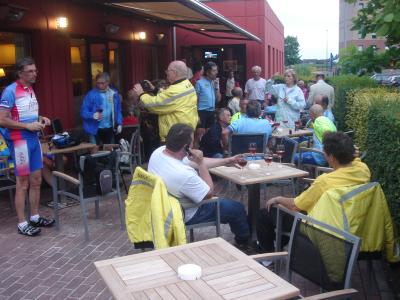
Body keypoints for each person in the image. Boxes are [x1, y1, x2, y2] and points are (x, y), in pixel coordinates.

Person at [257, 132, 370, 252]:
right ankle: (276, 243)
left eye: (324, 152)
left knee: (265, 214)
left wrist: (277, 199)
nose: (323, 154)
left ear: (331, 157)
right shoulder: (363, 169)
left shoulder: (324, 182)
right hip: (350, 222)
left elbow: (295, 206)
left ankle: (267, 257)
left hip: (320, 227)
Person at [148, 123, 250, 247]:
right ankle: (244, 242)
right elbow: (208, 193)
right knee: (237, 208)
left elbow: (192, 162)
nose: (195, 143)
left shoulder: (159, 153)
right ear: (186, 147)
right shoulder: (183, 174)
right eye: (193, 140)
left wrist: (226, 161)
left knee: (225, 202)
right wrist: (201, 163)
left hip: (164, 207)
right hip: (187, 211)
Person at [0, 57, 55, 236]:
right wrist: (27, 126)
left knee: (36, 180)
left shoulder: (30, 89)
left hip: (33, 140)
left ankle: (34, 216)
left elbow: (25, 115)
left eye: (35, 70)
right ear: (20, 73)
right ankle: (22, 223)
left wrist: (40, 119)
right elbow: (2, 119)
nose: (34, 74)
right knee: (22, 183)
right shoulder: (10, 91)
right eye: (30, 71)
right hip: (20, 141)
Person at [132, 60, 198, 143]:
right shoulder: (186, 84)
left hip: (175, 137)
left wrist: (141, 94)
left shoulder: (175, 90)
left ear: (174, 73)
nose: (166, 73)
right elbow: (169, 99)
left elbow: (154, 105)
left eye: (168, 71)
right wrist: (155, 90)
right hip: (184, 132)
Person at [81, 72, 123, 145]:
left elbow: (118, 110)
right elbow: (83, 112)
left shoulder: (114, 94)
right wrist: (92, 115)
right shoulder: (90, 94)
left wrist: (119, 123)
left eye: (102, 83)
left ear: (108, 82)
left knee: (110, 152)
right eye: (98, 83)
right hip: (94, 129)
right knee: (95, 152)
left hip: (110, 128)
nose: (100, 85)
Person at [195, 61, 221, 146]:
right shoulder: (199, 83)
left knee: (209, 133)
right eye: (214, 70)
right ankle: (194, 153)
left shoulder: (214, 83)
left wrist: (217, 87)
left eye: (216, 70)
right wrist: (196, 114)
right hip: (201, 111)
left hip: (211, 111)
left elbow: (218, 99)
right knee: (199, 134)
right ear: (207, 72)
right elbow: (196, 100)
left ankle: (206, 153)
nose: (216, 72)